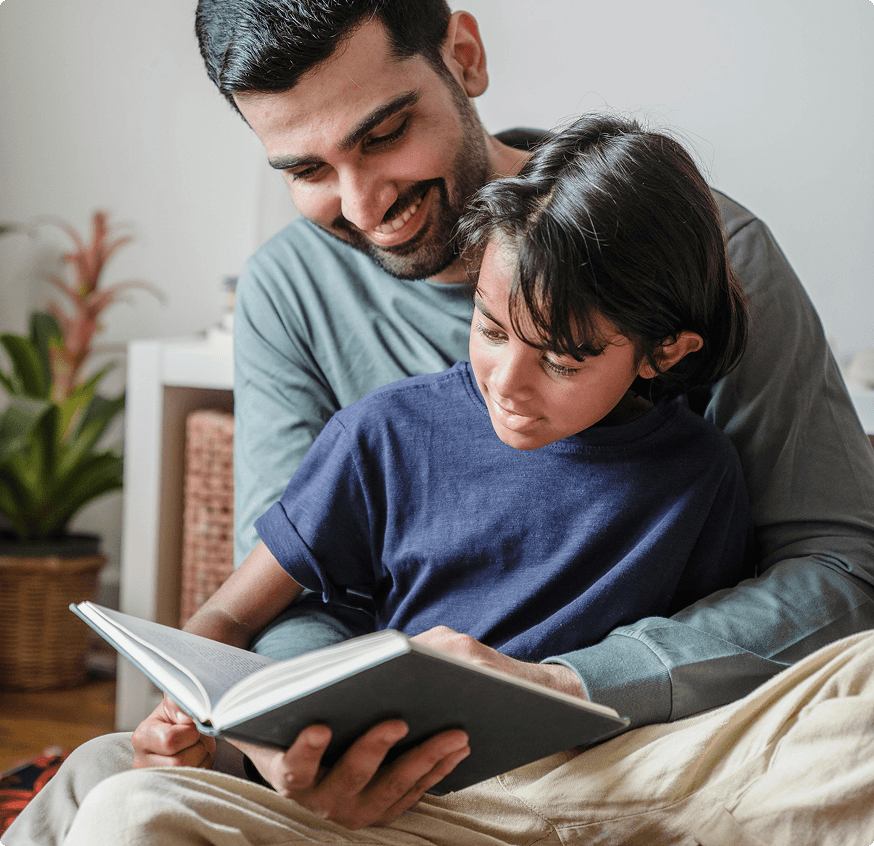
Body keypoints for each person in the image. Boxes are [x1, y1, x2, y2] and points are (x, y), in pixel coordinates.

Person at [6, 0, 874, 842]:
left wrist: (566, 684)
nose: (361, 206)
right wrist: (303, 726)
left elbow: (838, 573)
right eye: (306, 171)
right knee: (106, 782)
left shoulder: (707, 258)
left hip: (638, 750)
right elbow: (287, 591)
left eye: (383, 134)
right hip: (386, 772)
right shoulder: (296, 302)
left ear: (464, 57)